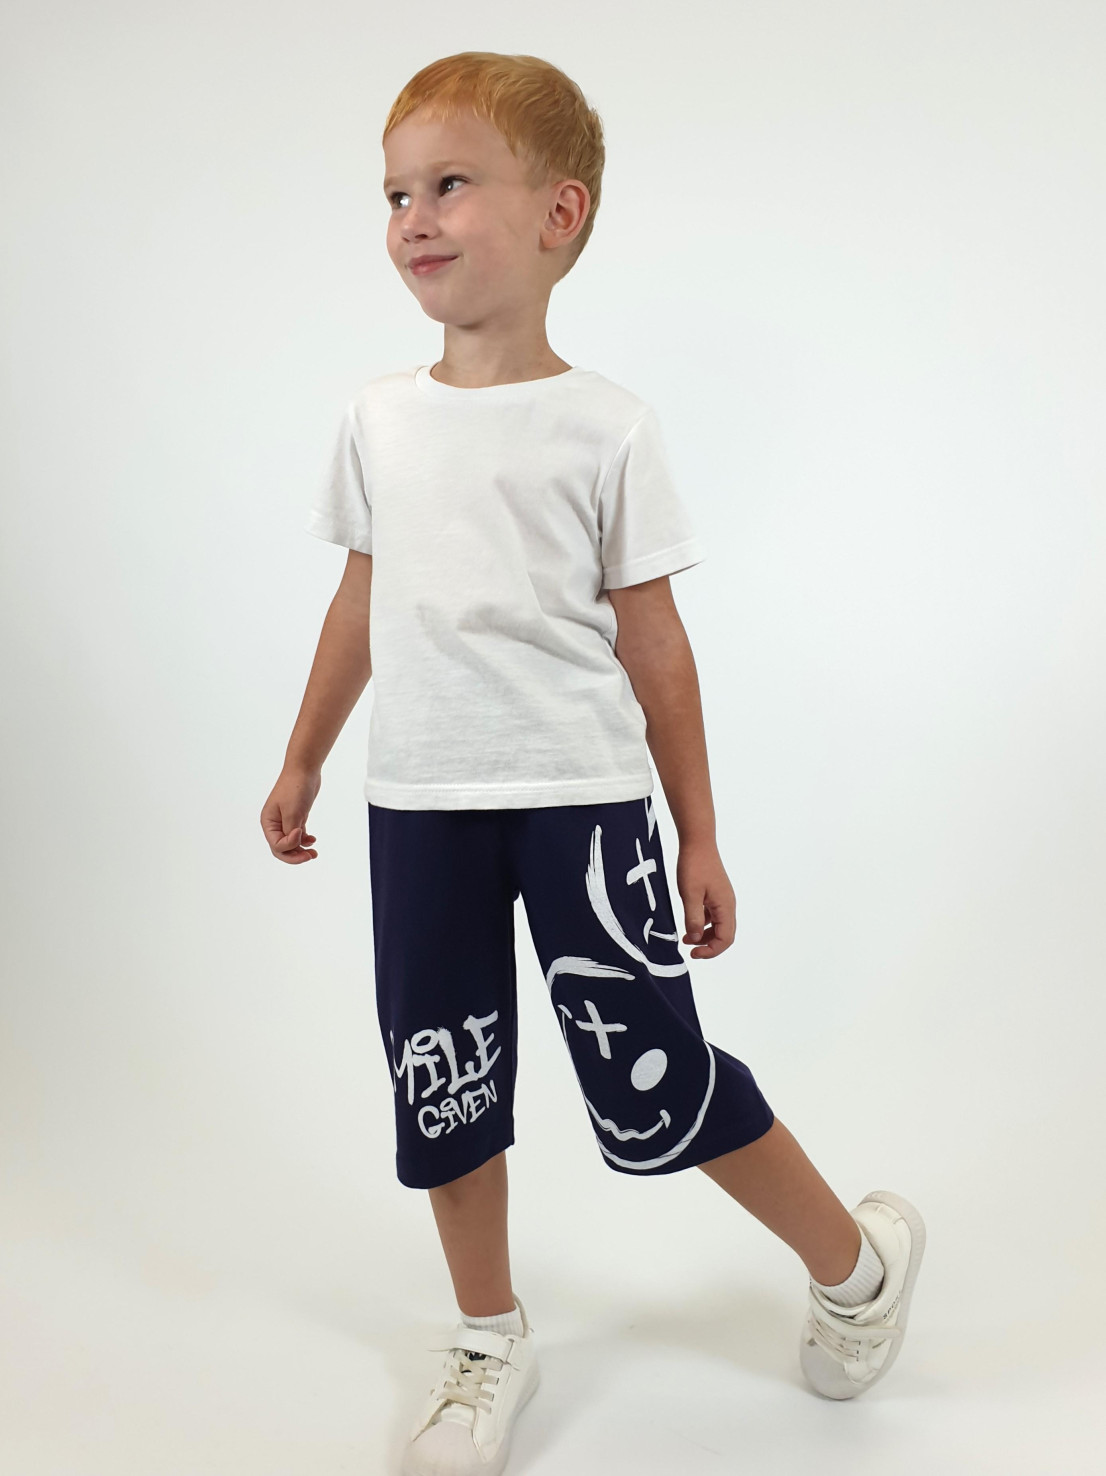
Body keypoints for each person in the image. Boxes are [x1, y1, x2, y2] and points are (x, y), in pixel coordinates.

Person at [260, 50, 927, 1476]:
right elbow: (359, 601)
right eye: (395, 194)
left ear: (558, 213)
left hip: (581, 809)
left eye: (449, 185)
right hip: (420, 809)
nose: (413, 219)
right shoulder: (377, 418)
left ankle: (859, 1267)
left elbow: (656, 643)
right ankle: (485, 1335)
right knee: (444, 1078)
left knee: (655, 1088)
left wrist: (698, 833)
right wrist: (303, 758)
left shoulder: (608, 425)